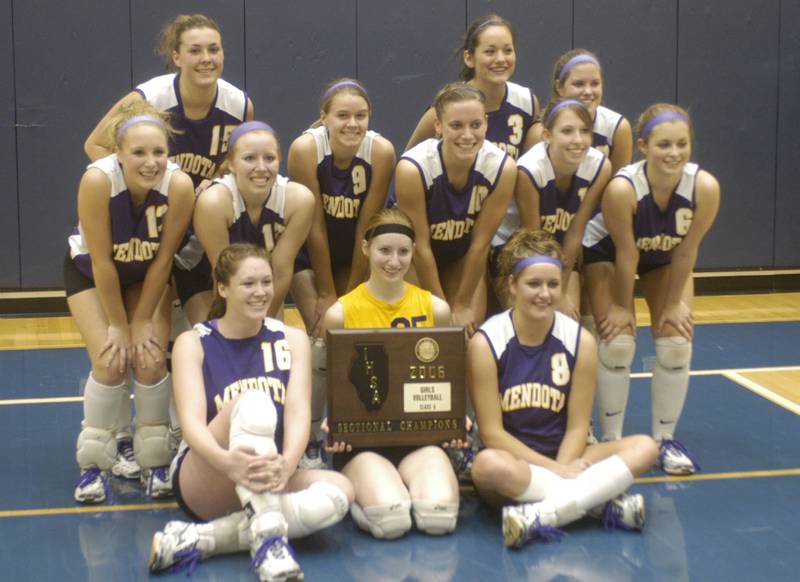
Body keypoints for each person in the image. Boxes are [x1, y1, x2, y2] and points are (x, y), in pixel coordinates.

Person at [149, 243, 354, 581]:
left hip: (268, 472)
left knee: (340, 493)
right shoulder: (194, 341)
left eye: (266, 282)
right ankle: (271, 546)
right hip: (208, 473)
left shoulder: (292, 339)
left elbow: (299, 415)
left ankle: (200, 539)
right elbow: (191, 426)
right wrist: (225, 461)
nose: (261, 292)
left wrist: (288, 464)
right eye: (248, 284)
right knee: (254, 400)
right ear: (223, 288)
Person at [467, 229, 659, 548]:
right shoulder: (486, 342)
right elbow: (492, 435)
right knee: (487, 466)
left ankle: (543, 514)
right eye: (534, 284)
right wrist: (559, 471)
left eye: (553, 284)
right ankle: (596, 503)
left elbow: (578, 425)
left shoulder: (580, 340)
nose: (545, 293)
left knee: (646, 447)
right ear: (512, 286)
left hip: (569, 455)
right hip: (515, 465)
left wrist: (567, 463)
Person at [582, 103, 721, 474]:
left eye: (682, 144)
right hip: (608, 253)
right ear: (643, 146)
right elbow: (626, 255)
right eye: (663, 145)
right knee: (618, 340)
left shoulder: (703, 187)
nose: (674, 153)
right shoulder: (623, 188)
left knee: (676, 340)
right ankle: (612, 442)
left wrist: (673, 305)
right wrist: (621, 308)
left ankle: (664, 441)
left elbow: (687, 251)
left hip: (664, 256)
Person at [66, 102, 195, 503]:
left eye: (158, 152)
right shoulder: (97, 180)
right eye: (138, 152)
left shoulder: (179, 185)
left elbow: (162, 260)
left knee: (151, 356)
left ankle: (154, 460)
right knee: (109, 359)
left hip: (147, 275)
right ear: (118, 153)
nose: (150, 161)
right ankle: (94, 466)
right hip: (92, 273)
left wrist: (141, 322)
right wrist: (120, 325)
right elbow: (103, 262)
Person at [323, 208, 459, 540]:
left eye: (403, 252)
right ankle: (365, 497)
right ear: (366, 248)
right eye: (385, 250)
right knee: (391, 520)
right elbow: (335, 386)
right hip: (363, 444)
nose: (394, 261)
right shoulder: (340, 314)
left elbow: (447, 378)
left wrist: (456, 419)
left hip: (420, 440)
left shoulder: (435, 309)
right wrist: (331, 423)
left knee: (438, 518)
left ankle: (407, 486)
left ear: (414, 252)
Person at [396, 82, 516, 336]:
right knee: (424, 327)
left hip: (462, 254)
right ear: (438, 126)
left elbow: (480, 244)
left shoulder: (502, 168)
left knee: (469, 331)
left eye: (475, 124)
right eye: (456, 125)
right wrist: (441, 308)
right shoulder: (413, 168)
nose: (467, 135)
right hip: (412, 258)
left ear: (486, 122)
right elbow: (420, 246)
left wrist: (460, 305)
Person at [85, 13, 254, 191]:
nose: (206, 58)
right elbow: (95, 145)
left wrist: (217, 181)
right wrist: (142, 187)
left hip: (207, 207)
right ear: (176, 57)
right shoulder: (149, 98)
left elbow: (237, 162)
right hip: (156, 205)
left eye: (213, 49)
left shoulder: (240, 106)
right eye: (195, 51)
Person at [174, 121, 314, 324]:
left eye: (269, 158)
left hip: (258, 277)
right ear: (231, 163)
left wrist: (262, 323)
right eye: (249, 158)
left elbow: (282, 271)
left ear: (279, 160)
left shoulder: (299, 200)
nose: (261, 167)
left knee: (271, 338)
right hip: (203, 274)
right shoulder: (214, 202)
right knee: (213, 341)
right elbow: (221, 275)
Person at [287, 78, 396, 335]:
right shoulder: (305, 149)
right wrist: (327, 294)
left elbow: (366, 228)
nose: (352, 124)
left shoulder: (381, 151)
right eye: (343, 115)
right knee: (323, 331)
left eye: (361, 116)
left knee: (354, 327)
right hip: (309, 253)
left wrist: (351, 297)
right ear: (324, 117)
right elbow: (315, 227)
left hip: (357, 250)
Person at [492, 99, 611, 316]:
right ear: (547, 135)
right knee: (532, 316)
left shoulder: (600, 166)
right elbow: (533, 240)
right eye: (567, 131)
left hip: (561, 249)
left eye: (585, 131)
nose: (578, 140)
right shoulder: (529, 170)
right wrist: (552, 291)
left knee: (565, 318)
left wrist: (562, 289)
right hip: (515, 249)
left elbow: (576, 232)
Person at [406, 14, 539, 160]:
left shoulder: (527, 102)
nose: (501, 59)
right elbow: (408, 162)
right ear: (469, 58)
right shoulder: (447, 105)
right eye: (490, 51)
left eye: (508, 50)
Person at [548, 49, 632, 174]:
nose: (588, 92)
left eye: (595, 84)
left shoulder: (617, 128)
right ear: (559, 87)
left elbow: (618, 186)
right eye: (578, 84)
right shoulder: (543, 129)